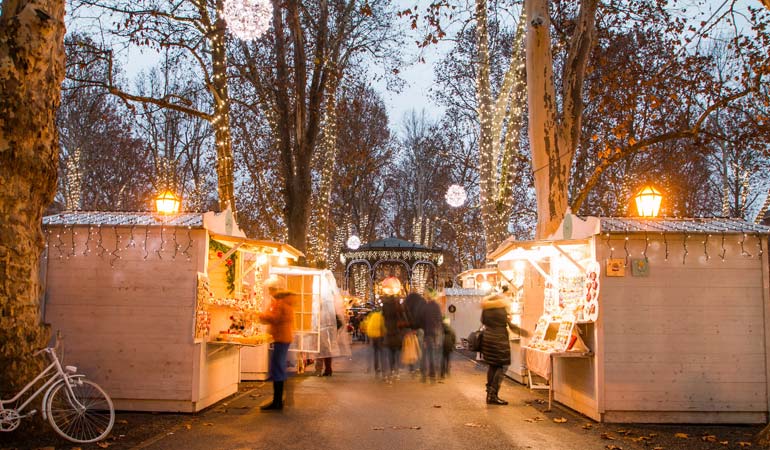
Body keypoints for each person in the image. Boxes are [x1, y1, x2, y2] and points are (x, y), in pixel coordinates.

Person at [258, 275, 294, 411]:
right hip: (283, 337)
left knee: (277, 367)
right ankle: (279, 400)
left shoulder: (280, 302)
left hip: (281, 337)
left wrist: (259, 315)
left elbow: (275, 318)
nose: (269, 292)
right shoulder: (282, 301)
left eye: (270, 289)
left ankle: (277, 401)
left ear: (275, 289)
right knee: (278, 366)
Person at [480, 290, 517, 405]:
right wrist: (524, 332)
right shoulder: (501, 309)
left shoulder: (486, 309)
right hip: (499, 339)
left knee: (493, 366)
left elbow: (483, 321)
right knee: (501, 366)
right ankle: (493, 395)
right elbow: (509, 324)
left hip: (488, 338)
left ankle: (489, 394)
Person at [380, 276, 404, 382]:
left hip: (388, 333)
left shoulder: (385, 306)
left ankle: (389, 372)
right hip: (397, 333)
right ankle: (396, 371)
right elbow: (402, 317)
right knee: (396, 353)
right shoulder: (398, 305)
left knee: (389, 353)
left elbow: (383, 317)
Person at [419, 289, 443, 383]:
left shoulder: (425, 307)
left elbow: (422, 320)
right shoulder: (437, 306)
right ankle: (432, 374)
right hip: (436, 333)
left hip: (427, 333)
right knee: (433, 353)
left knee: (425, 354)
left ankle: (424, 374)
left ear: (427, 297)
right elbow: (440, 319)